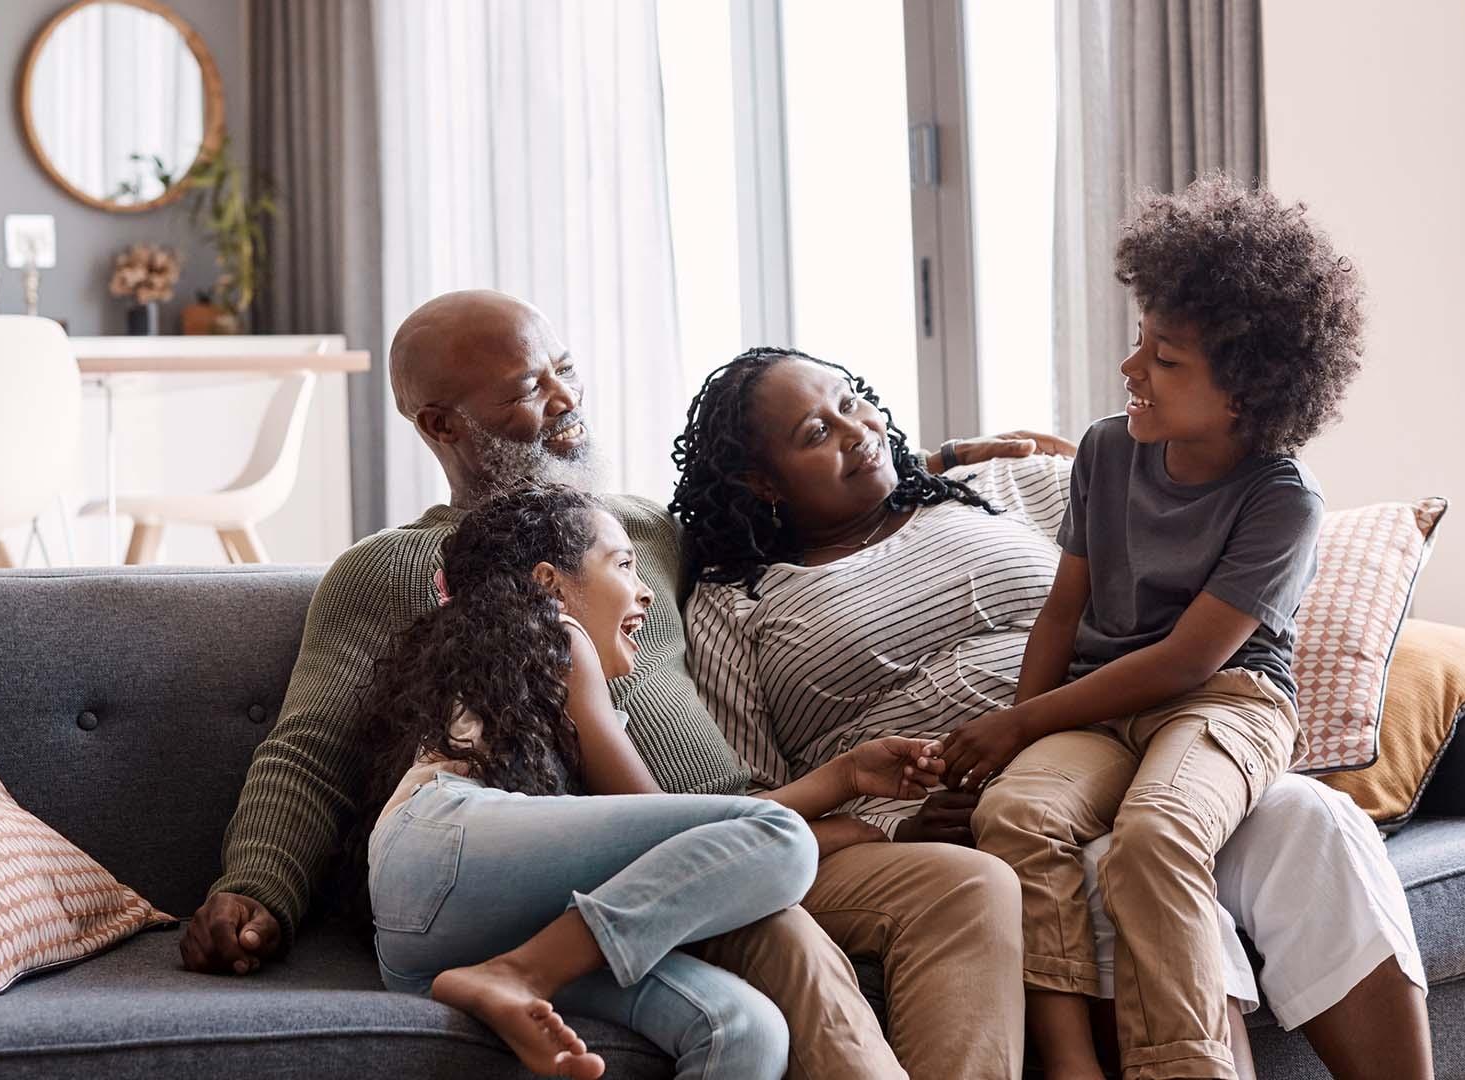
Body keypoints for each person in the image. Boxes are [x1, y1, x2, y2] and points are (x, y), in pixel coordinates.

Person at [183, 288, 1041, 1079]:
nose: (566, 401)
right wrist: (256, 884)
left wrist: (938, 456)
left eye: (567, 371)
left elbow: (768, 489)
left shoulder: (643, 529)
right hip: (583, 873)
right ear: (442, 424)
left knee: (969, 886)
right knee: (776, 926)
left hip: (737, 830)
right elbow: (308, 752)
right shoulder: (386, 569)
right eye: (529, 387)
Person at [673, 341, 1426, 1080]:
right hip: (986, 806)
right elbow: (751, 817)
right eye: (816, 435)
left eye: (852, 402)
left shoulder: (993, 491)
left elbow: (1142, 475)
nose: (856, 432)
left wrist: (952, 456)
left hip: (1145, 733)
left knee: (1312, 819)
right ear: (758, 481)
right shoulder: (736, 600)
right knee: (1117, 877)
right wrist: (895, 825)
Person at [352, 483, 947, 1079]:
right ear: (549, 584)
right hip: (441, 840)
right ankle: (521, 974)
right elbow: (678, 821)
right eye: (624, 564)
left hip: (433, 945)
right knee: (780, 837)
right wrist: (839, 798)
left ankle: (517, 970)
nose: (644, 593)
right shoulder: (561, 637)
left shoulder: (521, 688)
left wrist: (849, 789)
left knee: (741, 1028)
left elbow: (695, 849)